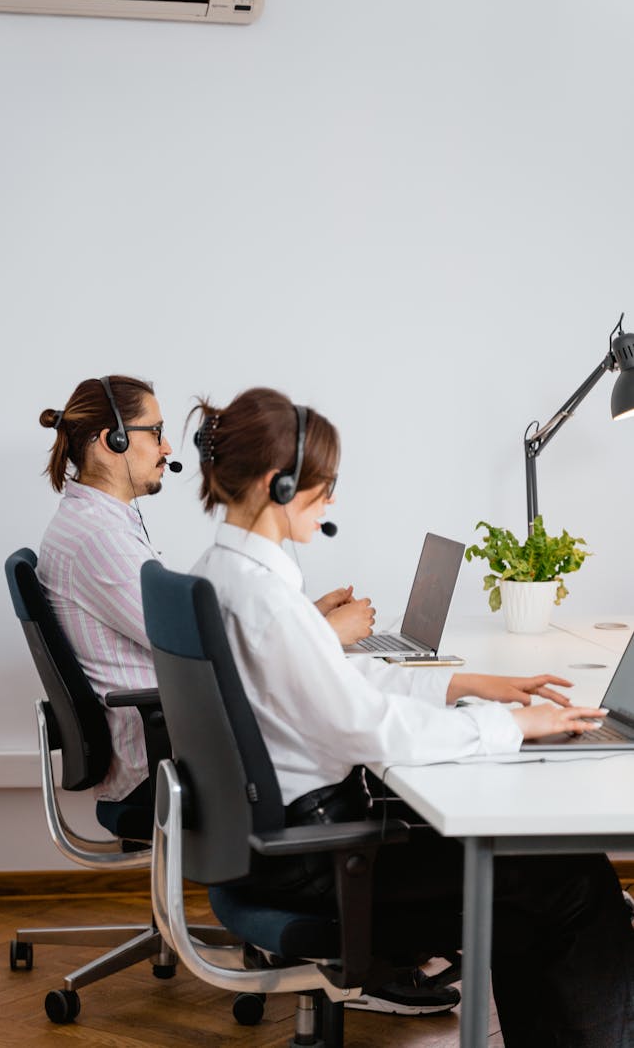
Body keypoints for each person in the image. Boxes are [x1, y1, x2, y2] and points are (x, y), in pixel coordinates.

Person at [189, 386, 634, 1047]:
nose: (332, 500)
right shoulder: (267, 600)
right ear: (277, 485)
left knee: (535, 880)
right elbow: (366, 727)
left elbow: (333, 680)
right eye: (323, 485)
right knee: (571, 877)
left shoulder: (220, 574)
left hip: (275, 844)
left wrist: (464, 685)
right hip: (321, 860)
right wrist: (514, 725)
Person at [34, 374, 462, 1016]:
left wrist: (300, 620)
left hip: (173, 742)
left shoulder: (106, 522)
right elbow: (197, 647)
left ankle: (375, 948)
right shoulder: (98, 538)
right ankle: (368, 951)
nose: (164, 447)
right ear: (110, 441)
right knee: (358, 766)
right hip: (161, 757)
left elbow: (205, 635)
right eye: (151, 431)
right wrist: (317, 629)